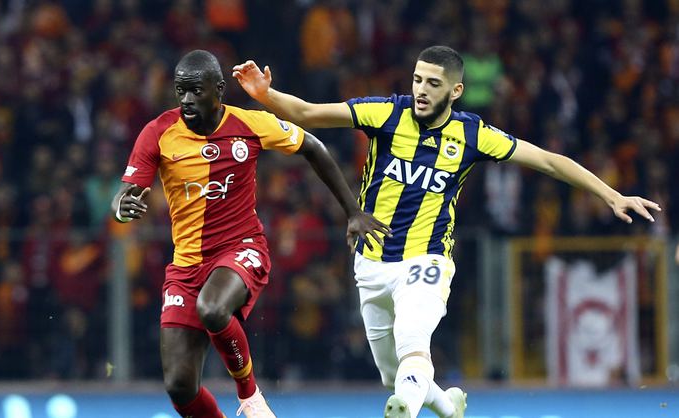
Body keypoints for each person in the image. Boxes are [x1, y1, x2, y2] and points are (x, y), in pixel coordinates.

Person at [232, 45, 662, 418]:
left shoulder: (472, 134)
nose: (421, 90)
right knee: (392, 374)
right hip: (372, 263)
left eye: (433, 84)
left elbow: (548, 160)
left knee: (413, 343)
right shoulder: (387, 112)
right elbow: (308, 113)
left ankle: (403, 408)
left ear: (455, 91)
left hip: (428, 260)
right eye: (418, 79)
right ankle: (446, 406)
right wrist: (266, 94)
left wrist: (611, 195)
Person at [111, 50, 389, 418]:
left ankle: (250, 396)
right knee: (180, 386)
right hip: (186, 264)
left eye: (196, 91)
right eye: (181, 91)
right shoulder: (158, 132)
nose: (187, 100)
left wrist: (352, 211)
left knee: (212, 308)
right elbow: (126, 192)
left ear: (219, 89)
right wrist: (121, 206)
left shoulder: (250, 124)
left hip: (241, 249)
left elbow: (313, 147)